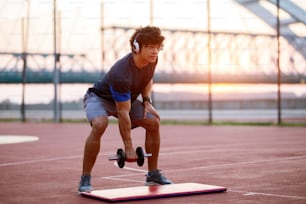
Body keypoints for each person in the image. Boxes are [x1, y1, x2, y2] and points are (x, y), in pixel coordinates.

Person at [78, 26, 173, 192]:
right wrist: (128, 147)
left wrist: (146, 100)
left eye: (157, 47)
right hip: (100, 98)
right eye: (150, 46)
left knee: (153, 122)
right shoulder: (121, 73)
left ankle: (152, 174)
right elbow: (123, 112)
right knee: (100, 123)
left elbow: (148, 79)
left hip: (125, 99)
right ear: (136, 48)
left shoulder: (152, 60)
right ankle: (85, 177)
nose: (155, 51)